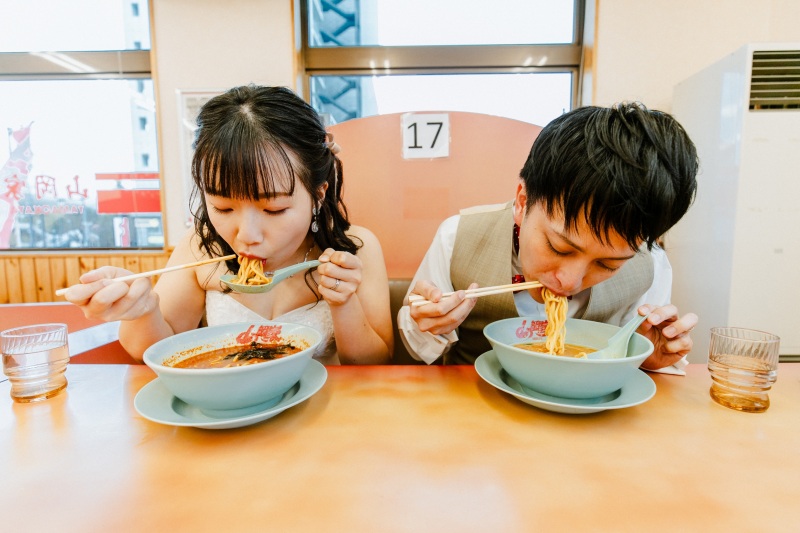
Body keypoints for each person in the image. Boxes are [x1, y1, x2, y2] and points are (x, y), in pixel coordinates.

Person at [64, 85, 393, 365]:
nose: (247, 235)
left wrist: (343, 302)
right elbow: (150, 352)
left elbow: (375, 362)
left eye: (274, 208)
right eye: (222, 206)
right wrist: (142, 310)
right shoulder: (200, 246)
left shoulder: (355, 249)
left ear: (318, 194)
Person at [397, 102, 699, 372]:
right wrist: (428, 325)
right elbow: (417, 350)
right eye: (559, 247)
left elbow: (638, 363)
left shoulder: (650, 263)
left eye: (608, 264)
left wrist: (646, 356)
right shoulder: (458, 236)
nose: (569, 282)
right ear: (522, 202)